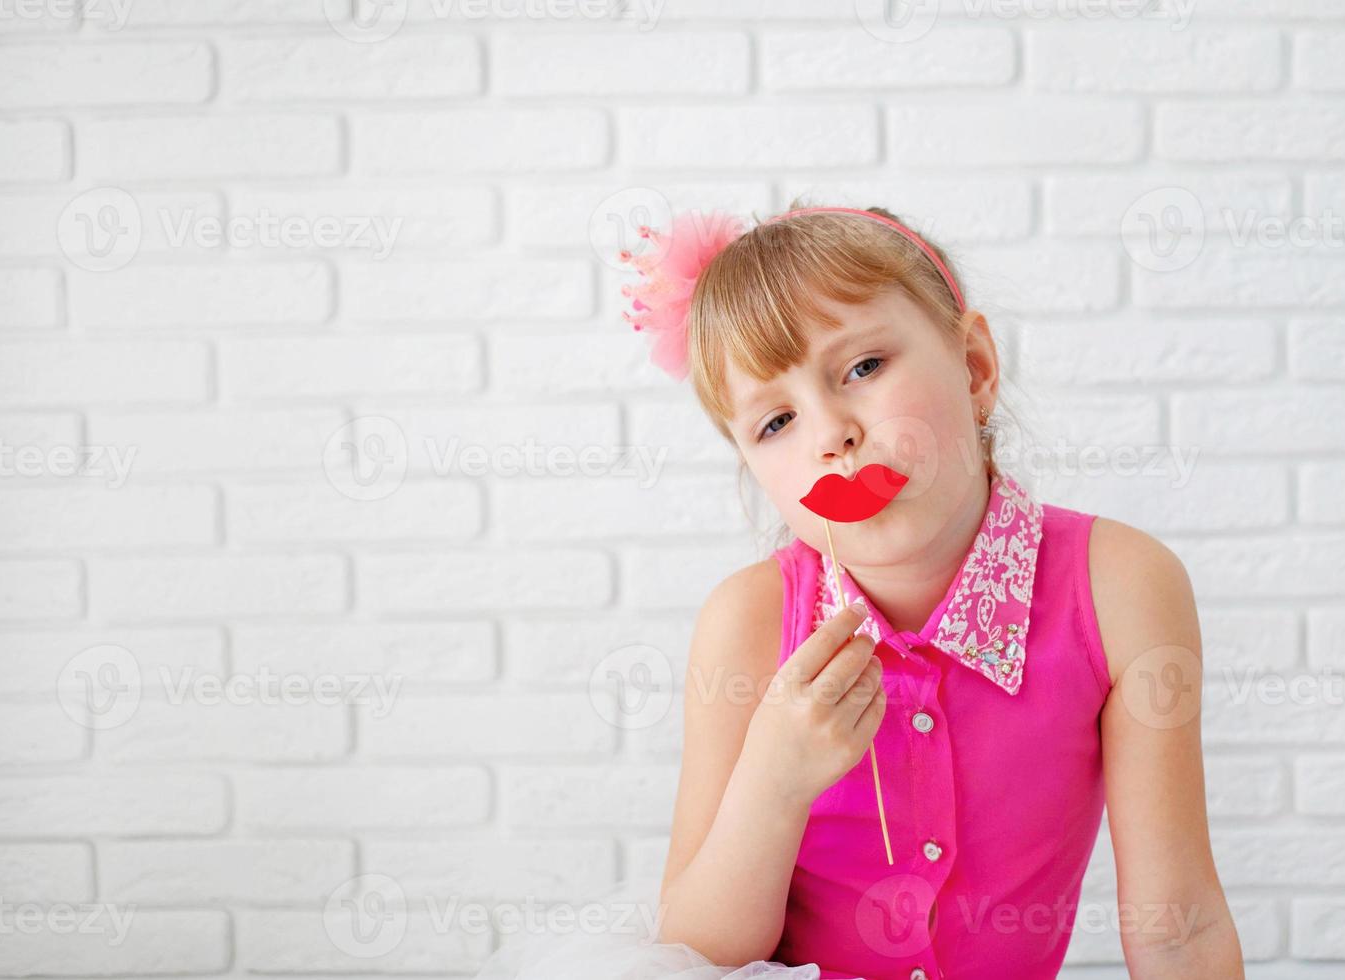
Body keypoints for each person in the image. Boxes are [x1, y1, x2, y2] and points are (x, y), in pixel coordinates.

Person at [472, 202, 1244, 979]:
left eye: (864, 368)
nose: (830, 433)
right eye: (776, 422)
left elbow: (1179, 929)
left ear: (974, 366)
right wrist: (773, 781)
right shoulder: (749, 625)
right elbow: (698, 954)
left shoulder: (1118, 588)